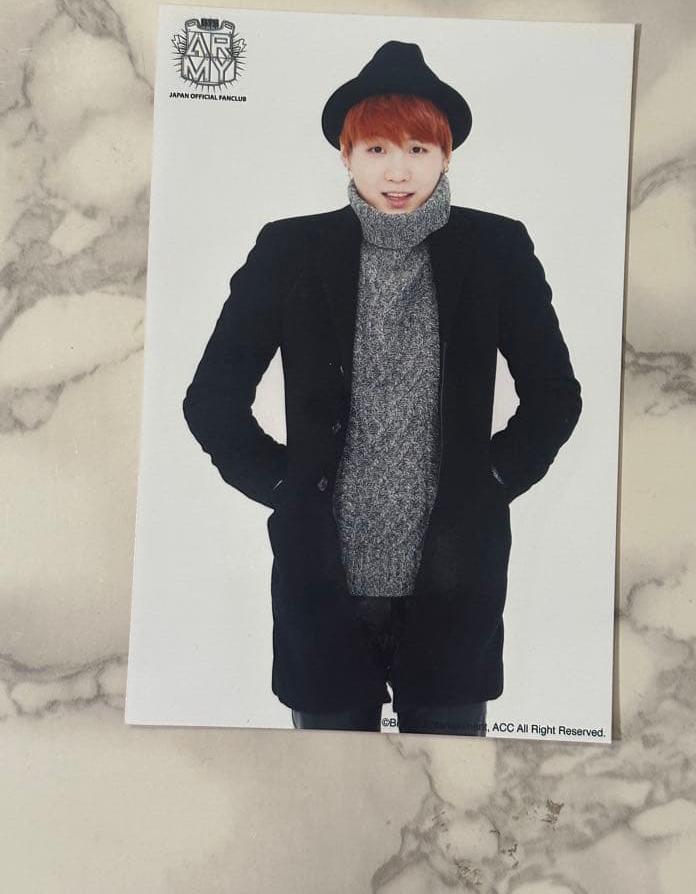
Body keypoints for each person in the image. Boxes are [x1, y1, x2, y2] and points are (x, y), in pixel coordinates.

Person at [183, 40, 582, 736]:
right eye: (376, 149)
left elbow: (554, 395)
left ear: (446, 155)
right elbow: (211, 399)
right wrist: (284, 484)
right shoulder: (290, 251)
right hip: (323, 577)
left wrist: (490, 480)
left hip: (454, 575)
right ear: (346, 155)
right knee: (332, 787)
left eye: (418, 149)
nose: (398, 171)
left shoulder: (497, 249)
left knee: (448, 782)